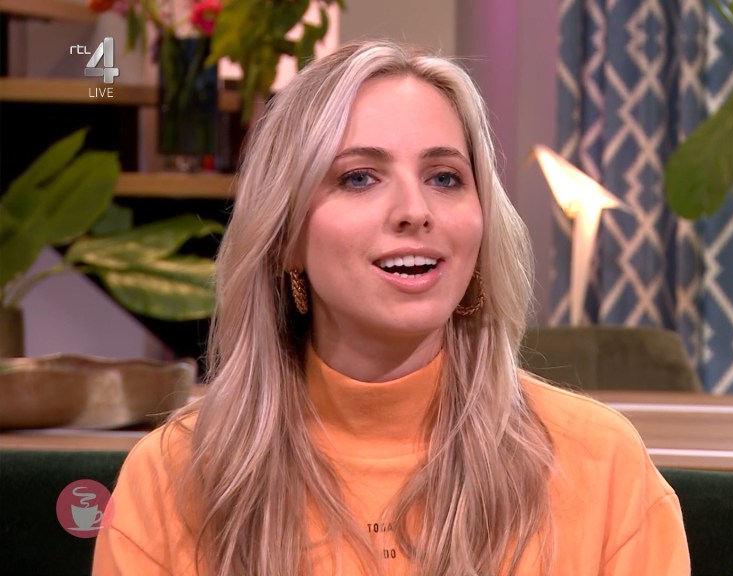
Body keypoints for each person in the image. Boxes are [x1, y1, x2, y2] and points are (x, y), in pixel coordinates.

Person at [92, 40, 690, 576]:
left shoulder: (603, 466)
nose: (415, 210)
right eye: (359, 178)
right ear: (286, 236)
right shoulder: (169, 479)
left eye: (445, 178)